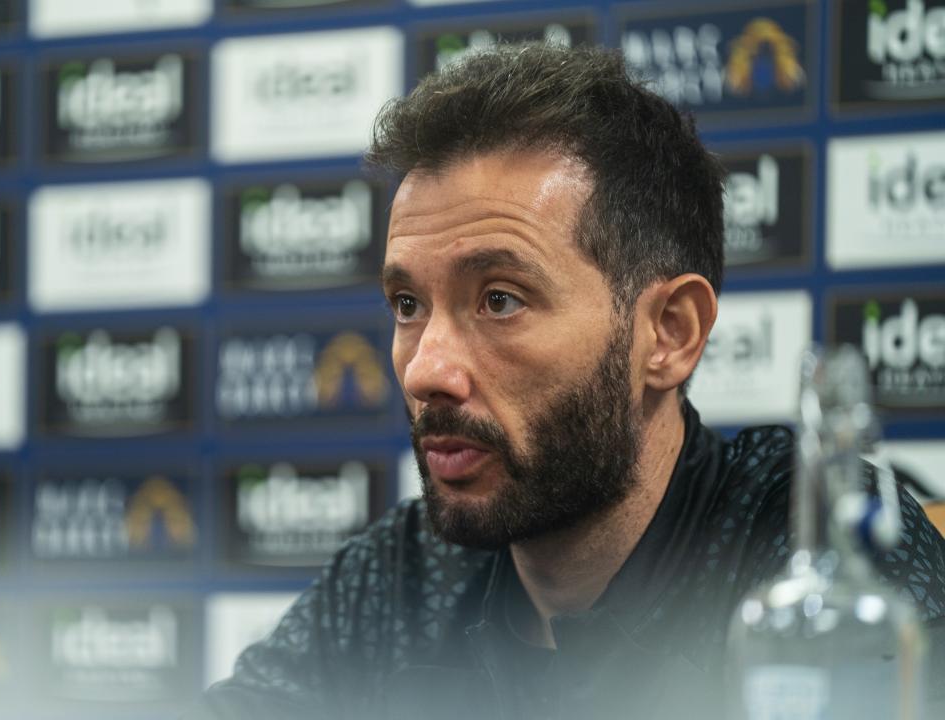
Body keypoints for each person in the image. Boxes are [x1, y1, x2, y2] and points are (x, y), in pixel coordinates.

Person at [189, 43, 945, 720]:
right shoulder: (399, 582)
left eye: (500, 300)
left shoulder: (819, 566)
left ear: (670, 334)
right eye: (409, 305)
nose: (426, 370)